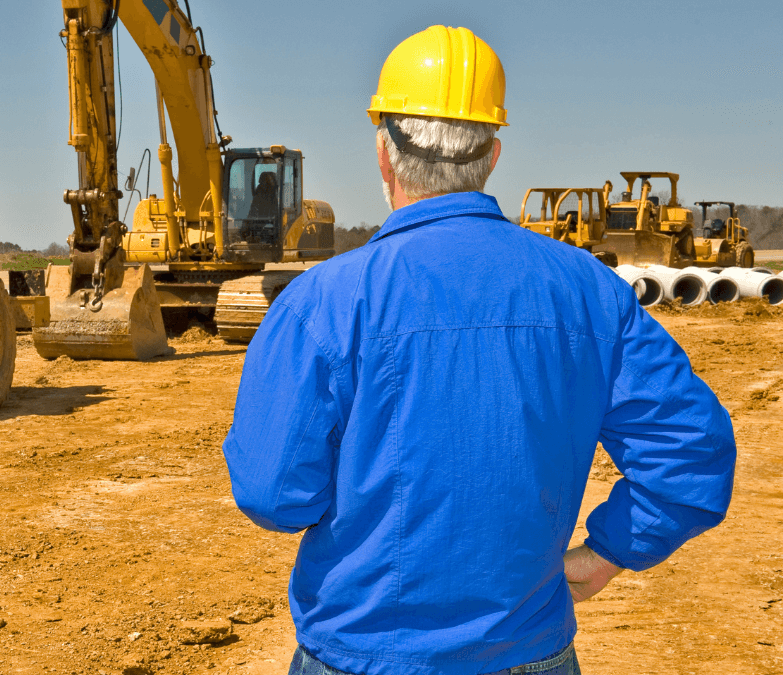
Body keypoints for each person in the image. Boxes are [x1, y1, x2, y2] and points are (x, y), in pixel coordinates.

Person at [222, 25, 736, 675]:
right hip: (529, 650)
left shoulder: (320, 304)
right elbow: (691, 451)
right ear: (492, 154)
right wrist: (606, 554)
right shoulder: (588, 294)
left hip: (360, 654)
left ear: (385, 153)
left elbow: (274, 495)